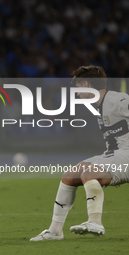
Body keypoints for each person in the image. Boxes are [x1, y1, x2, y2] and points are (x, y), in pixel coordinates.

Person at [30, 65, 129, 241]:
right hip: (115, 155)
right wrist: (112, 166)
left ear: (86, 84)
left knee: (89, 173)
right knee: (70, 175)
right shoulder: (100, 105)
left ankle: (95, 222)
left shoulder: (118, 100)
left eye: (77, 87)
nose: (77, 92)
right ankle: (54, 231)